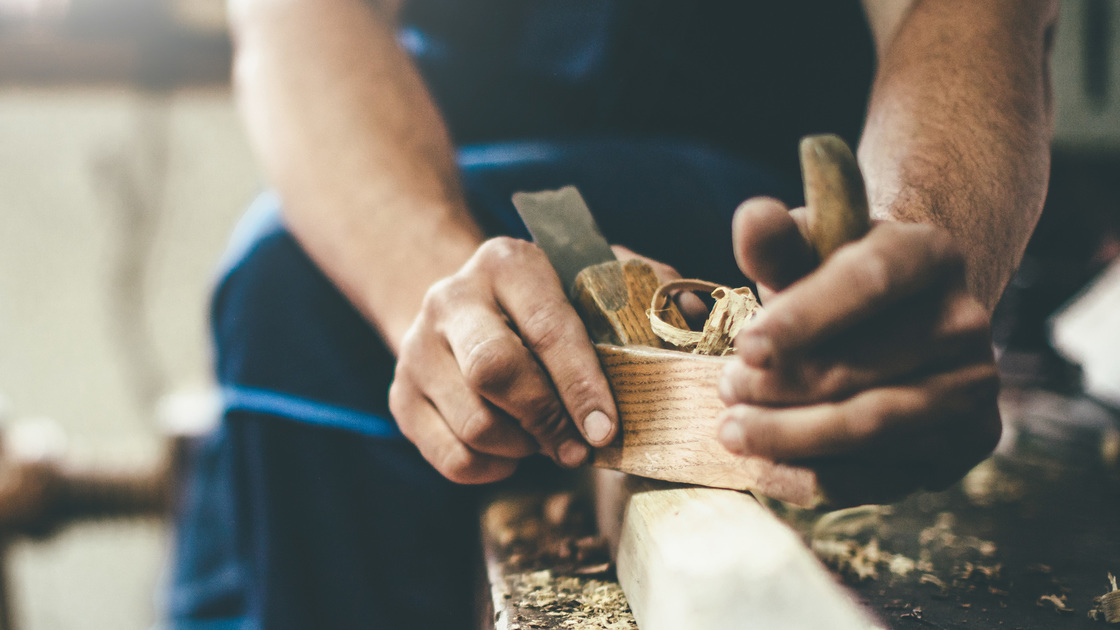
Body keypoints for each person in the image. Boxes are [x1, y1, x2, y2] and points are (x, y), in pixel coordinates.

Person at [167, 1, 1058, 628]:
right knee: (281, 299)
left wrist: (910, 252)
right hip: (431, 188)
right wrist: (437, 292)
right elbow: (296, 18)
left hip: (734, 185)